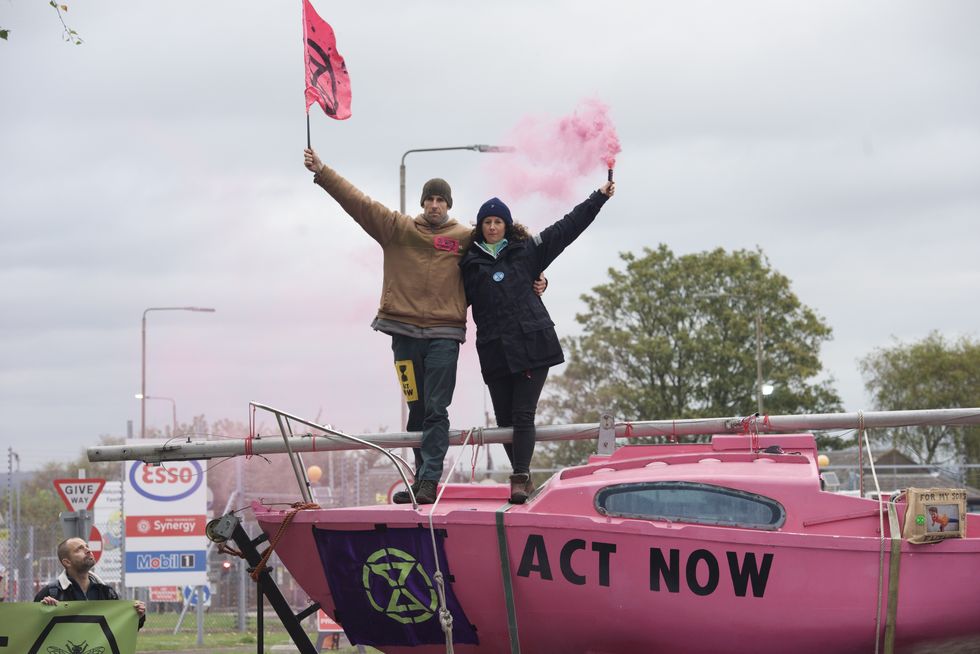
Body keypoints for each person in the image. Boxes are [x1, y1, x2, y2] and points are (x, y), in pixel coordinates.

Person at [303, 148, 546, 504]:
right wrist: (322, 171)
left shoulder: (465, 238)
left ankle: (430, 480)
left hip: (443, 336)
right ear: (422, 202)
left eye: (440, 200)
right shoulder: (397, 229)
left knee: (436, 408)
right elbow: (357, 201)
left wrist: (539, 279)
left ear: (448, 204)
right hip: (402, 334)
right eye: (429, 199)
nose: (434, 205)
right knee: (416, 407)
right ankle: (420, 479)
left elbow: (510, 254)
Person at [460, 181, 615, 503]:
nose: (492, 227)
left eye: (497, 222)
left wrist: (597, 198)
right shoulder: (467, 264)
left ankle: (519, 477)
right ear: (480, 227)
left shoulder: (527, 251)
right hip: (494, 349)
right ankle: (524, 477)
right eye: (487, 222)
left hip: (532, 346)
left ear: (506, 225)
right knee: (502, 421)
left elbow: (566, 228)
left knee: (522, 415)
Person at [35, 537, 146, 629]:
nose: (88, 550)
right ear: (67, 562)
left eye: (87, 546)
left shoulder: (107, 592)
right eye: (79, 549)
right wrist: (45, 613)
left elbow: (120, 629)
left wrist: (137, 616)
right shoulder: (50, 594)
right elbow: (35, 631)